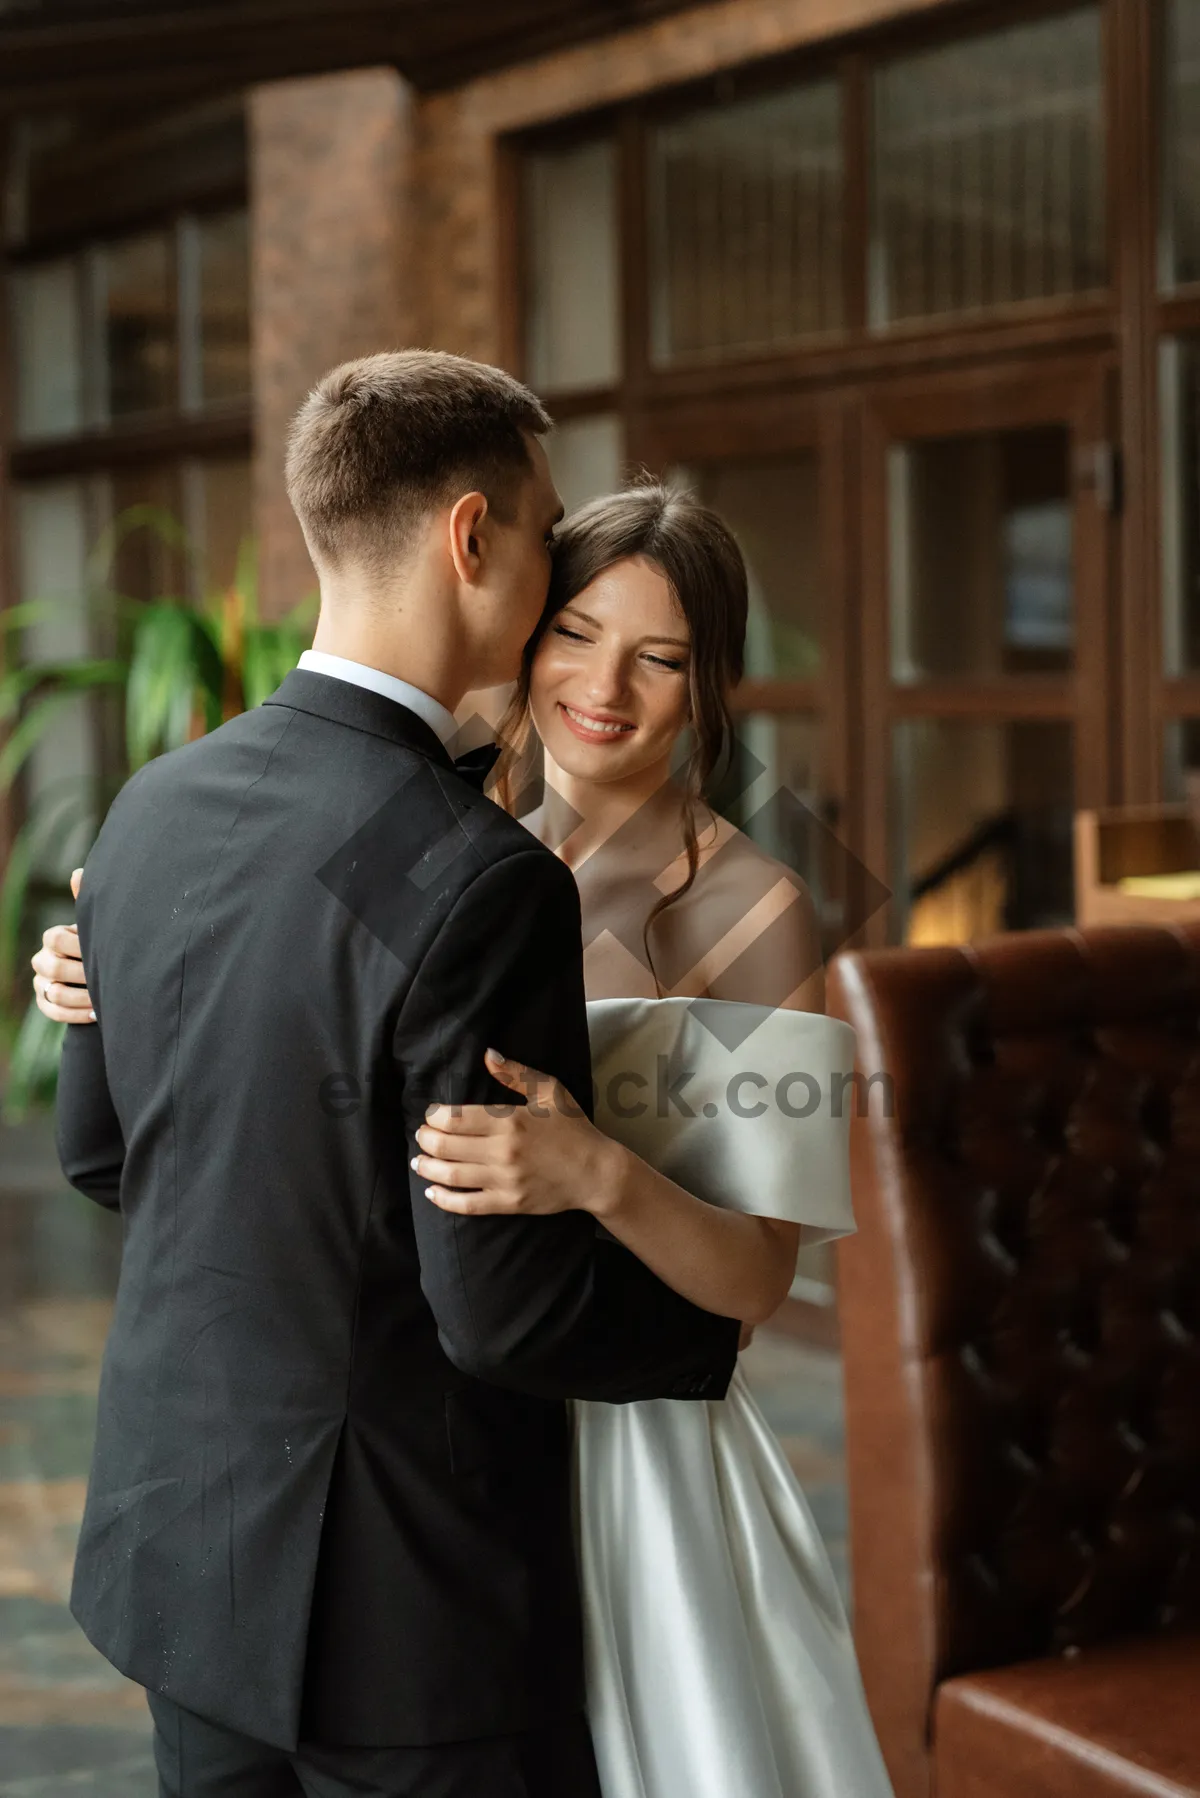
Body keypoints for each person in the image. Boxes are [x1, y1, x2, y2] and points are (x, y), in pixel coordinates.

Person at [38, 477, 896, 1796]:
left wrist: (597, 1170)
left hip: (633, 1453)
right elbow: (272, 1084)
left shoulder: (750, 907)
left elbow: (757, 1277)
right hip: (416, 1448)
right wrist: (116, 981)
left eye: (659, 657)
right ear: (524, 633)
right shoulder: (434, 841)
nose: (604, 684)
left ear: (706, 683)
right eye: (575, 633)